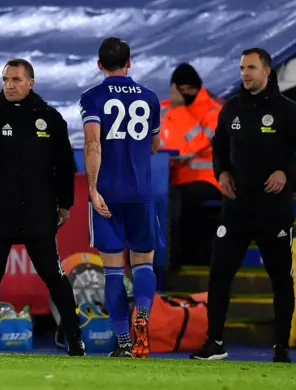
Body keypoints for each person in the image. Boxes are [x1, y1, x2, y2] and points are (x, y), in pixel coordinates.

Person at [0, 58, 85, 356]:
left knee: (54, 276)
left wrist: (65, 204)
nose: (9, 85)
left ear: (31, 82)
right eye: (5, 80)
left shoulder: (49, 118)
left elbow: (65, 166)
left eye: (15, 80)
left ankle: (75, 339)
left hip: (38, 214)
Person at [190, 48, 296, 363]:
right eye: (241, 68)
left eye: (251, 67)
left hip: (273, 210)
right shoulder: (231, 109)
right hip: (235, 209)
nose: (245, 73)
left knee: (280, 280)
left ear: (267, 71)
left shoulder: (288, 110)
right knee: (219, 275)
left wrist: (285, 172)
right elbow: (219, 147)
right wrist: (221, 172)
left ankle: (280, 348)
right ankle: (216, 343)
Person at [80, 37, 161, 359]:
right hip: (141, 192)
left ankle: (124, 342)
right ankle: (142, 312)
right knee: (143, 262)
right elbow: (154, 145)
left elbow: (92, 143)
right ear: (130, 62)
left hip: (108, 194)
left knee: (113, 270)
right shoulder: (150, 98)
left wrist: (93, 188)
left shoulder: (92, 97)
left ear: (99, 65)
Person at [160, 64, 224, 269]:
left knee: (179, 201)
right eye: (182, 89)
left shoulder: (215, 111)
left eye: (190, 89)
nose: (186, 94)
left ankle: (187, 258)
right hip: (171, 179)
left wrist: (179, 111)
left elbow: (186, 148)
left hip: (208, 179)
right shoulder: (161, 109)